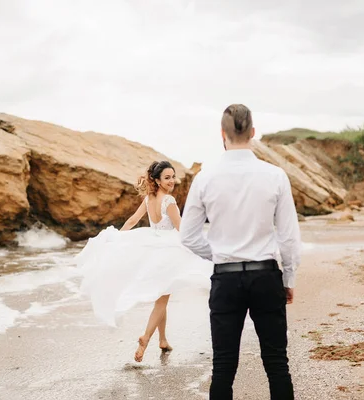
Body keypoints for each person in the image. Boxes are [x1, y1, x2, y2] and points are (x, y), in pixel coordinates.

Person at [180, 104, 301, 400]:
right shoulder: (275, 176)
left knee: (223, 366)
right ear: (253, 133)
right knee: (276, 364)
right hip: (266, 277)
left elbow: (188, 235)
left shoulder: (205, 178)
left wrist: (219, 256)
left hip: (225, 280)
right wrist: (288, 279)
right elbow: (288, 237)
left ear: (222, 134)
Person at [75, 160, 212, 363]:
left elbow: (132, 220)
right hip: (168, 253)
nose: (172, 181)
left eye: (173, 177)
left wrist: (117, 239)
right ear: (156, 180)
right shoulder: (170, 201)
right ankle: (145, 338)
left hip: (153, 250)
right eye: (167, 178)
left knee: (162, 296)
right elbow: (182, 230)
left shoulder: (149, 198)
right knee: (162, 299)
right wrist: (202, 249)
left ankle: (163, 340)